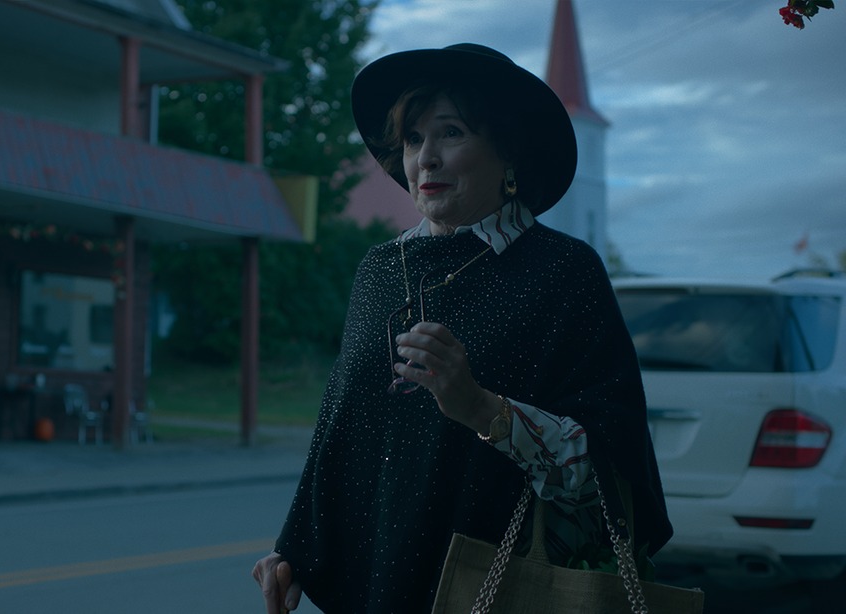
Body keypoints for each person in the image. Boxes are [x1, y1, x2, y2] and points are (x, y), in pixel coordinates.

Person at [252, 43, 672, 613]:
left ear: (508, 151)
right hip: (378, 581)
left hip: (502, 585)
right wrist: (295, 548)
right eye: (413, 139)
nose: (426, 158)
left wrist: (480, 407)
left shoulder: (563, 272)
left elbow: (608, 469)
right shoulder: (380, 269)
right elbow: (341, 427)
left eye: (450, 133)